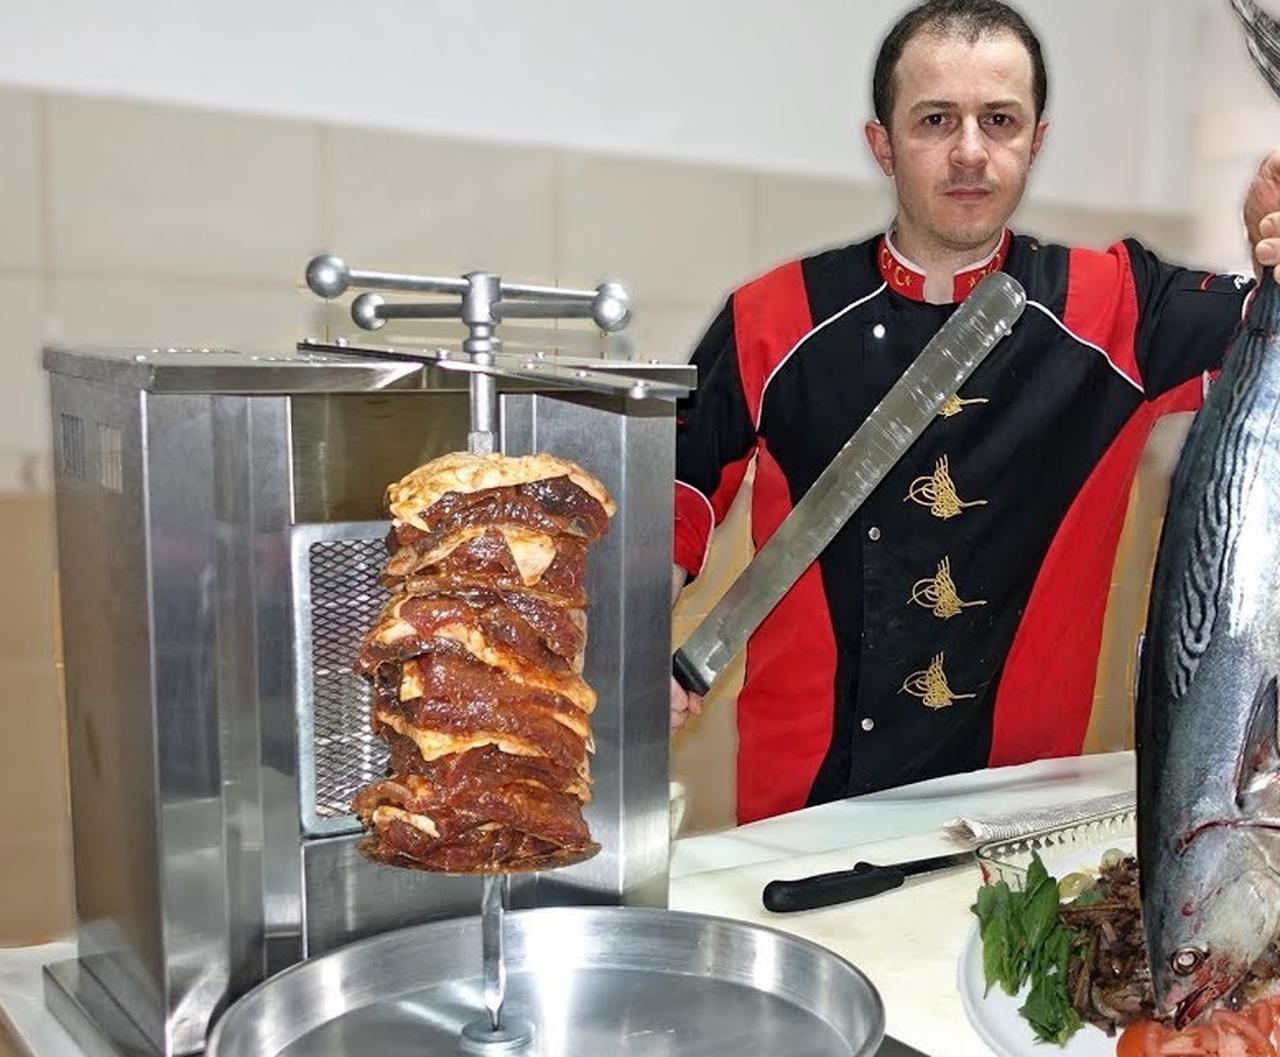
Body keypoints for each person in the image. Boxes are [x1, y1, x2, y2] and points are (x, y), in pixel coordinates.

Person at [669, 0, 1280, 825]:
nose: (969, 151)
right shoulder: (770, 320)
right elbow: (671, 498)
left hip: (1019, 829)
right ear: (882, 143)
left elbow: (1264, 355)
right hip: (797, 826)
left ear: (1037, 140)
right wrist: (637, 658)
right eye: (934, 120)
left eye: (999, 120)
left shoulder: (1120, 309)